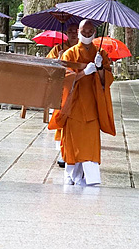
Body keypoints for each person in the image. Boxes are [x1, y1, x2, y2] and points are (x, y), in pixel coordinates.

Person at [48, 19, 116, 186]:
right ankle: (72, 175)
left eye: (90, 32)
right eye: (84, 31)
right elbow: (64, 79)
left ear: (94, 33)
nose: (86, 34)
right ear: (78, 31)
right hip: (74, 105)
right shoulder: (69, 53)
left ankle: (91, 177)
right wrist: (84, 72)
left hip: (93, 104)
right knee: (72, 143)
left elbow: (106, 81)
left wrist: (100, 68)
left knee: (90, 144)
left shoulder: (101, 54)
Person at [46, 23, 79, 168]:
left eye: (75, 31)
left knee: (75, 123)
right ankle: (62, 153)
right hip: (63, 89)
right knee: (61, 120)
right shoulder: (59, 48)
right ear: (66, 32)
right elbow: (48, 66)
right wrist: (57, 60)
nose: (73, 34)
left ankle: (76, 153)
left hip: (79, 89)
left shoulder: (83, 49)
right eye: (70, 31)